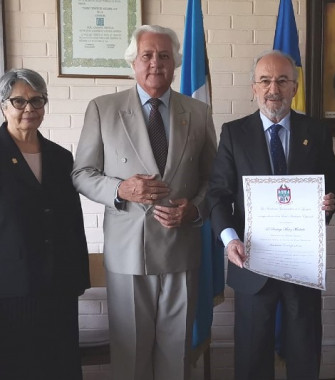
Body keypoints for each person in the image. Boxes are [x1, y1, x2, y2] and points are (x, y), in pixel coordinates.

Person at [72, 25, 217, 380]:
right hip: (128, 253)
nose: (156, 63)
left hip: (181, 249)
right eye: (147, 55)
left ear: (176, 63)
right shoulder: (103, 109)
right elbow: (82, 174)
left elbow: (215, 180)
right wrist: (122, 190)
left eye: (164, 56)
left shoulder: (197, 112)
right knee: (130, 355)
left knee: (176, 355)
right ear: (133, 62)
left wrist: (195, 209)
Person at [207, 50, 335, 380]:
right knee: (252, 357)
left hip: (302, 262)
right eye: (265, 81)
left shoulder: (317, 132)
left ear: (295, 87)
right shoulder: (234, 133)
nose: (273, 89)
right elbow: (217, 195)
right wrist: (229, 239)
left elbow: (334, 188)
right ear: (253, 87)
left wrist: (329, 203)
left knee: (304, 352)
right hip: (251, 261)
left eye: (282, 80)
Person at [0, 68, 90, 379]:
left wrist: (79, 277)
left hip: (59, 285)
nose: (29, 109)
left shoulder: (61, 158)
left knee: (60, 365)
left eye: (37, 101)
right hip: (11, 288)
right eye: (19, 101)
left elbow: (72, 222)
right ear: (3, 105)